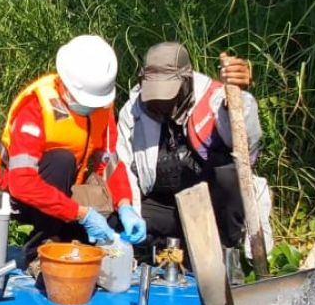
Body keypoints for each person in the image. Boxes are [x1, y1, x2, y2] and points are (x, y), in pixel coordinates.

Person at [0, 35, 145, 264]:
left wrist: (124, 205)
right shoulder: (35, 107)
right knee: (61, 160)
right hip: (18, 192)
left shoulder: (102, 107)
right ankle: (40, 249)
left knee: (109, 226)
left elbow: (109, 162)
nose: (92, 108)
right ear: (65, 85)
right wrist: (81, 213)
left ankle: (69, 238)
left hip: (68, 187)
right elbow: (22, 183)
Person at [115, 42, 270, 255]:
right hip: (167, 208)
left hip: (214, 212)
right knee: (114, 219)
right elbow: (123, 168)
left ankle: (229, 252)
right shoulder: (133, 111)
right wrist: (129, 211)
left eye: (168, 95)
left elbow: (247, 144)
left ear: (186, 81)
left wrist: (237, 99)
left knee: (227, 172)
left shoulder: (216, 98)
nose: (161, 103)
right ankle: (158, 250)